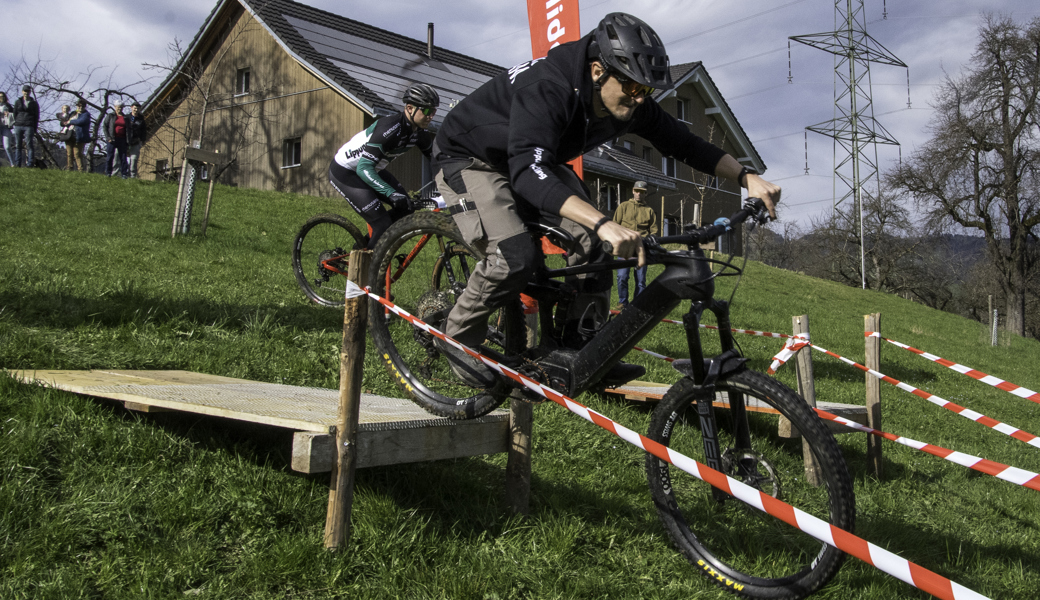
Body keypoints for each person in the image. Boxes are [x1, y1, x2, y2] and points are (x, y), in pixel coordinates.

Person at [430, 12, 780, 388]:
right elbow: (526, 172)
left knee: (596, 247)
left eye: (645, 91)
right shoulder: (549, 87)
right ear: (598, 71)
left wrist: (747, 177)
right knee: (513, 257)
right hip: (472, 158)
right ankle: (458, 343)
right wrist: (603, 220)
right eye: (631, 88)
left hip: (533, 159)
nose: (638, 99)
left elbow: (684, 143)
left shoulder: (629, 101)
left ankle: (581, 348)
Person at [328, 83, 438, 249]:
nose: (431, 116)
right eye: (427, 111)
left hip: (372, 169)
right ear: (409, 108)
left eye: (434, 111)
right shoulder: (390, 129)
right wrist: (390, 193)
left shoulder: (419, 134)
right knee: (382, 223)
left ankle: (364, 248)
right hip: (346, 172)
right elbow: (363, 168)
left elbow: (437, 161)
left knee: (406, 208)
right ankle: (362, 268)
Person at [612, 180, 658, 307]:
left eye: (642, 192)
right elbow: (615, 225)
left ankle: (638, 304)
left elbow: (653, 230)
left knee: (641, 280)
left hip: (641, 249)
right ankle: (623, 301)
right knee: (622, 277)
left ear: (645, 194)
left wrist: (649, 240)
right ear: (633, 191)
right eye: (637, 191)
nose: (639, 194)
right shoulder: (623, 206)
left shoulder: (649, 211)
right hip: (625, 247)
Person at [12, 85, 39, 168]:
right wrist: (16, 122)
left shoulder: (34, 103)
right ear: (22, 92)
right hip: (18, 125)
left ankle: (30, 163)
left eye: (28, 91)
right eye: (25, 91)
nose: (26, 92)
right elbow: (14, 113)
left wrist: (35, 128)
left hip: (29, 125)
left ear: (30, 92)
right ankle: (17, 163)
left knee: (29, 144)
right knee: (18, 145)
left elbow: (36, 116)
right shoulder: (18, 101)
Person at [102, 102, 129, 177]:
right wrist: (108, 137)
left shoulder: (125, 117)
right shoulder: (110, 116)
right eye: (118, 107)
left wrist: (127, 139)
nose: (119, 109)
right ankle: (108, 172)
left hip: (122, 139)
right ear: (115, 107)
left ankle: (124, 174)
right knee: (110, 156)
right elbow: (105, 126)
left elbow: (128, 129)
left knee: (123, 157)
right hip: (112, 139)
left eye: (121, 107)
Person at [66, 99, 91, 173]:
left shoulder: (86, 114)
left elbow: (81, 121)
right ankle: (69, 168)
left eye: (82, 106)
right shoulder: (73, 113)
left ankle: (80, 170)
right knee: (69, 153)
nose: (80, 108)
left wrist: (70, 122)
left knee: (77, 154)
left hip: (80, 136)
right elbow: (65, 121)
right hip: (69, 135)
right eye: (79, 106)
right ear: (77, 106)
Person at [126, 102, 147, 178]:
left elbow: (144, 130)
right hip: (126, 141)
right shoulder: (126, 118)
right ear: (131, 108)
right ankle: (123, 174)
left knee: (134, 159)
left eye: (138, 108)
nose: (136, 110)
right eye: (135, 108)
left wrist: (143, 140)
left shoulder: (141, 119)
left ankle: (132, 176)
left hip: (136, 141)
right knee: (122, 158)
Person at [0, 91, 14, 166]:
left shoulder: (8, 106)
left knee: (7, 147)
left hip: (6, 127)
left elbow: (14, 115)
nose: (1, 98)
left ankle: (13, 164)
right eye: (0, 97)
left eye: (3, 96)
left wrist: (9, 114)